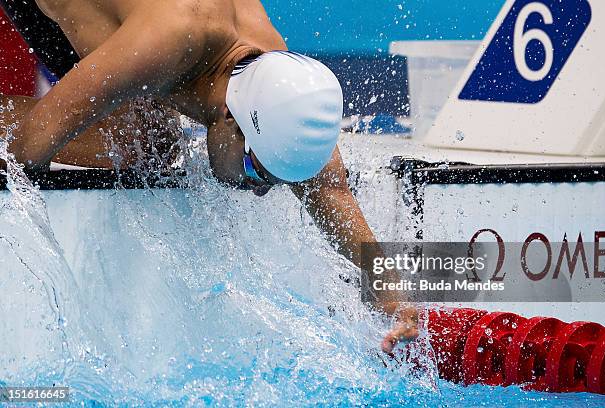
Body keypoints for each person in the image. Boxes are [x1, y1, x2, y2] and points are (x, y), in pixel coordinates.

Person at [0, 0, 417, 354]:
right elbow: (31, 143)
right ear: (230, 121)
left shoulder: (277, 83)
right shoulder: (166, 43)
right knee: (141, 145)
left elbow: (330, 188)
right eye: (258, 172)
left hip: (143, 36)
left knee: (153, 144)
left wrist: (392, 298)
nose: (259, 192)